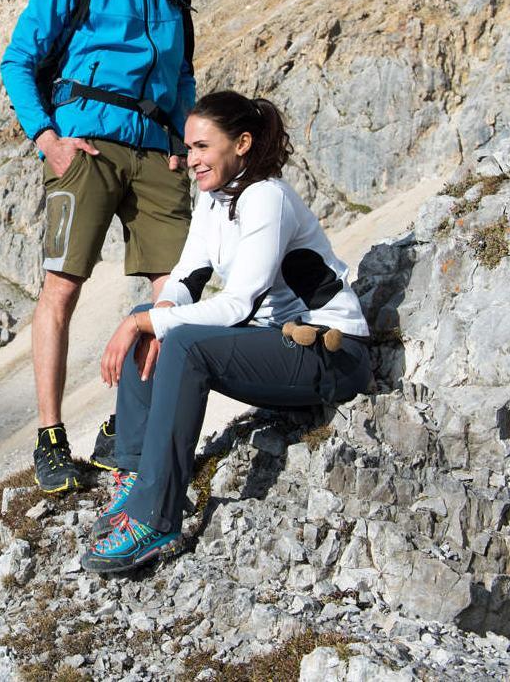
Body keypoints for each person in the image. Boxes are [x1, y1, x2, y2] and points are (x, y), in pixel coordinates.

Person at [79, 90, 374, 572]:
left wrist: (145, 322)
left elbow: (240, 303)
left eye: (201, 148)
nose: (189, 160)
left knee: (181, 341)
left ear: (241, 143)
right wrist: (153, 316)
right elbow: (186, 276)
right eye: (189, 148)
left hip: (332, 355)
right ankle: (135, 477)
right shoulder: (214, 200)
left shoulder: (267, 198)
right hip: (277, 348)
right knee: (154, 320)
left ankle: (156, 518)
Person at [0, 0, 196, 493]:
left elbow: (183, 74)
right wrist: (48, 138)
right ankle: (51, 438)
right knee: (62, 287)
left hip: (158, 155)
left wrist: (185, 140)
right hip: (85, 149)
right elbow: (19, 60)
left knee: (173, 300)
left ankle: (126, 430)